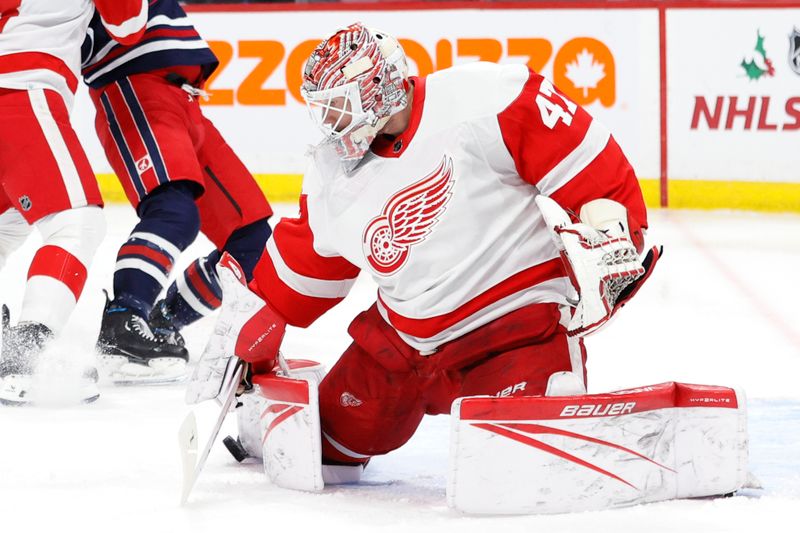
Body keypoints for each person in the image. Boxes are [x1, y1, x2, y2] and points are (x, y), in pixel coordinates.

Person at [192, 22, 658, 477]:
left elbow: (590, 163)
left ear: (375, 89)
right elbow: (308, 262)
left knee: (518, 464)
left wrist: (618, 233)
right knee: (320, 449)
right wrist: (261, 316)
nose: (330, 124)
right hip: (401, 347)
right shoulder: (331, 171)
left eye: (338, 106)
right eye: (324, 110)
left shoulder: (487, 97)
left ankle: (553, 403)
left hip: (511, 331)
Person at [81, 0, 273, 383]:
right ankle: (124, 318)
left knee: (253, 240)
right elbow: (126, 24)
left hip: (186, 100)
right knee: (173, 212)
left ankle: (162, 322)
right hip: (136, 85)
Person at [0, 0, 147, 404]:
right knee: (77, 223)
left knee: (5, 226)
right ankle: (24, 353)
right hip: (21, 85)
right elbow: (129, 24)